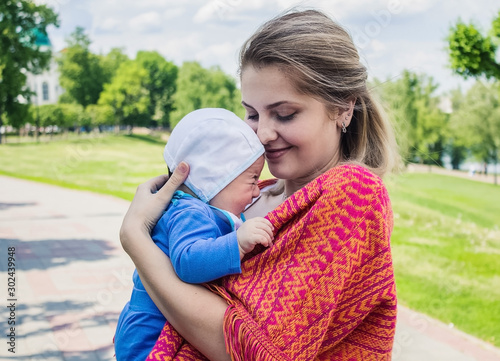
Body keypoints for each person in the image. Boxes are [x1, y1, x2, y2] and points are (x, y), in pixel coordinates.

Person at [119, 8, 401, 360]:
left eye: (285, 114)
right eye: (252, 114)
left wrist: (135, 239)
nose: (263, 134)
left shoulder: (353, 194)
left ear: (344, 108)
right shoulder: (253, 196)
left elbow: (255, 351)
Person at [114, 108, 273, 361]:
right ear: (217, 178)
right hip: (148, 336)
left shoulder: (205, 210)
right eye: (252, 180)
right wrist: (237, 243)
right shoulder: (190, 212)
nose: (256, 192)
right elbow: (188, 261)